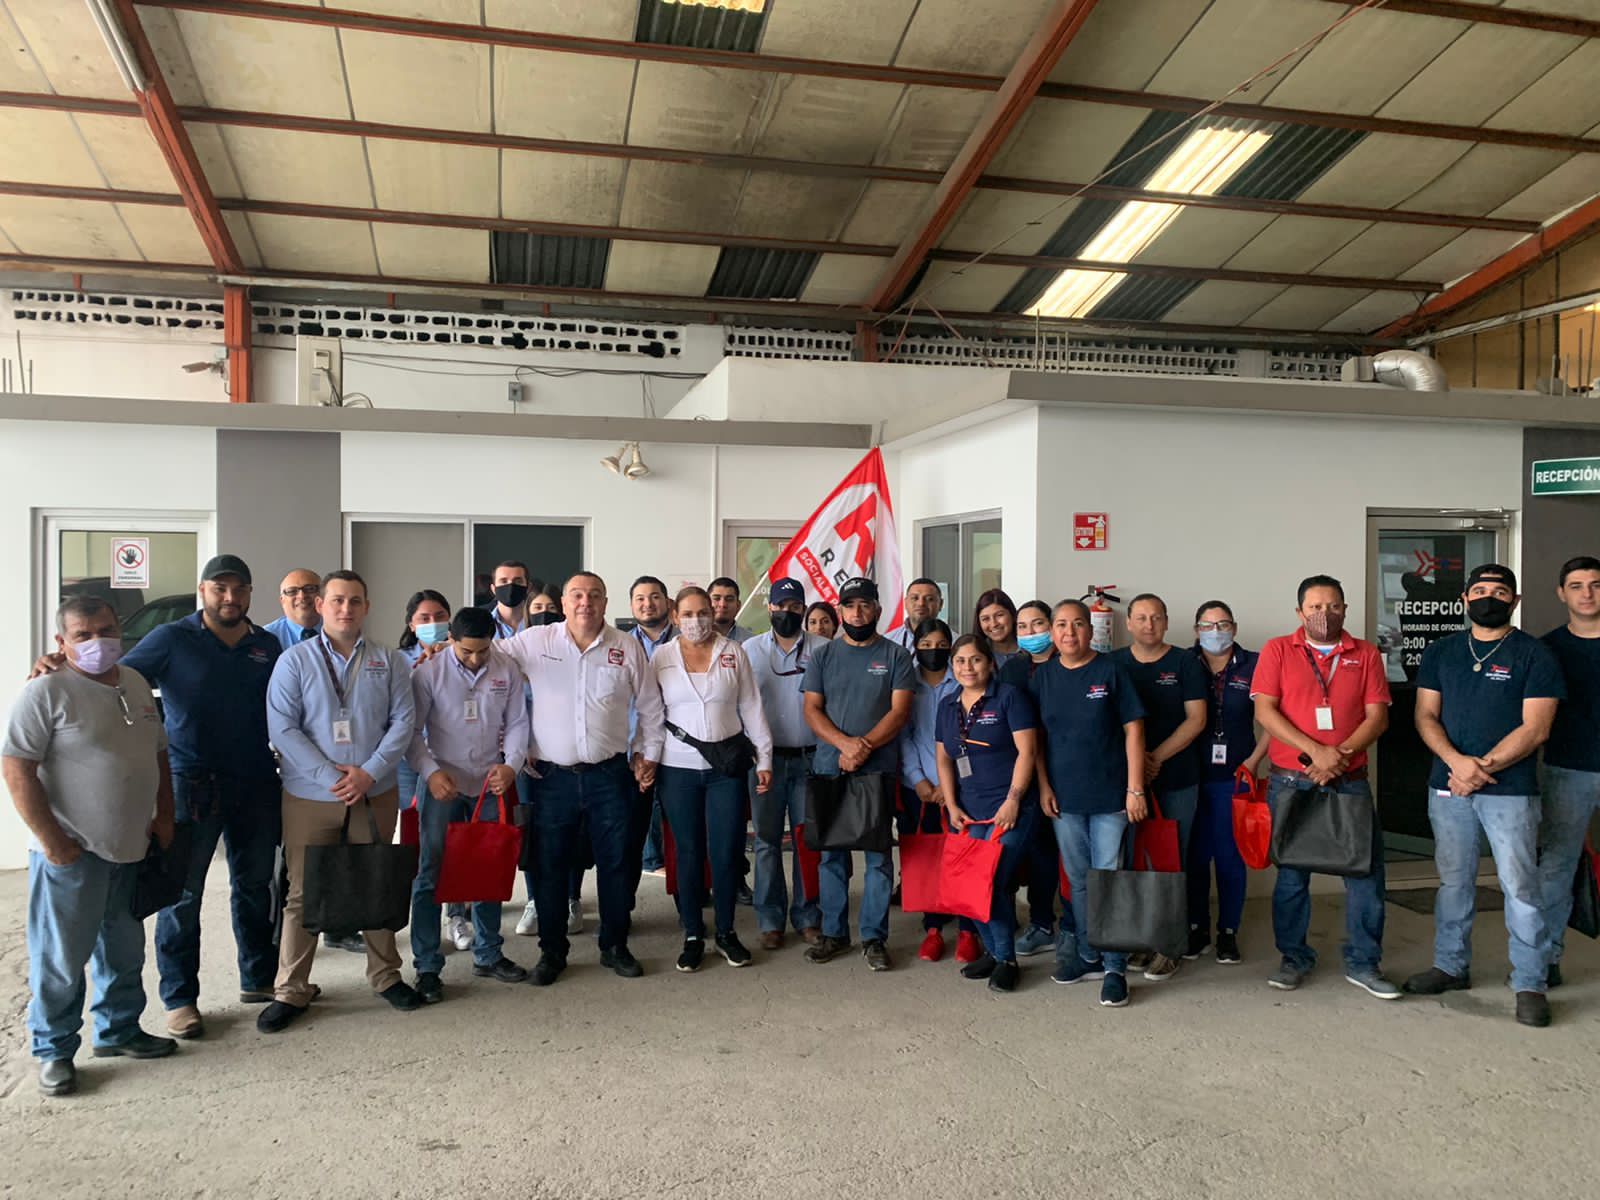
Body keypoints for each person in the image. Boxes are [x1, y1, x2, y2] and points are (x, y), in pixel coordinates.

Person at [4, 596, 177, 1096]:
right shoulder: (45, 691)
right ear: (62, 642)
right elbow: (16, 768)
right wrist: (52, 841)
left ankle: (118, 1030)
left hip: (131, 846)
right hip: (73, 852)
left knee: (123, 950)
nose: (97, 641)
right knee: (62, 959)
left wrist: (164, 815)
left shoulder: (135, 682)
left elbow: (158, 755)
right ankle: (54, 1050)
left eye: (105, 630)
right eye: (83, 635)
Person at [123, 555, 283, 1039]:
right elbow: (120, 680)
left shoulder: (266, 645)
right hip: (190, 783)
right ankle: (180, 999)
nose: (230, 598)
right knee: (182, 892)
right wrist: (60, 666)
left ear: (250, 593)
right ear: (203, 591)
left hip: (256, 781)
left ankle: (258, 978)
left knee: (255, 885)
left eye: (239, 589)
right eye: (220, 588)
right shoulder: (172, 638)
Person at [257, 570, 418, 1033]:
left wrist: (368, 773)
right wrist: (331, 777)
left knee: (376, 880)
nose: (346, 609)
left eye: (355, 601)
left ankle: (386, 977)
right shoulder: (294, 661)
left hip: (374, 792)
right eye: (337, 600)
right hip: (311, 795)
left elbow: (404, 722)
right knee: (303, 891)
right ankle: (292, 988)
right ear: (320, 606)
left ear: (367, 607)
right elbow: (282, 728)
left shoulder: (389, 661)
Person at [1404, 564, 1562, 1027]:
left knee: (1520, 887)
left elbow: (1536, 728)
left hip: (1510, 791)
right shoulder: (1442, 651)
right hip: (1447, 785)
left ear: (1514, 600)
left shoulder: (1535, 654)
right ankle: (1451, 966)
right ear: (1464, 599)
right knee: (1454, 883)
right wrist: (1457, 763)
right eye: (1479, 590)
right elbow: (1425, 715)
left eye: (1499, 591)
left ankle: (1530, 982)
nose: (1488, 597)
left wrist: (1479, 769)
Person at [497, 572, 664, 985]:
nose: (585, 602)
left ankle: (614, 945)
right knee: (551, 865)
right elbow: (486, 657)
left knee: (616, 862)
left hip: (611, 775)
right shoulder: (535, 641)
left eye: (594, 595)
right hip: (551, 779)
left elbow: (650, 707)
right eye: (576, 595)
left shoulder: (625, 647)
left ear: (605, 602)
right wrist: (441, 651)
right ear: (564, 602)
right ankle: (552, 952)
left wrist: (648, 753)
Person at [1252, 574, 1397, 1001]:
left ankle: (1365, 962)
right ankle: (1294, 957)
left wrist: (1339, 756)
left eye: (1333, 606)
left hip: (1349, 780)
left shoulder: (1366, 654)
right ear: (1300, 612)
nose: (1324, 614)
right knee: (1292, 876)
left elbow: (1378, 717)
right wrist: (1316, 752)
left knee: (1365, 874)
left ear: (1345, 610)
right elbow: (1266, 712)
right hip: (1290, 781)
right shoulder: (1279, 650)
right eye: (1315, 607)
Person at [406, 606, 531, 1001]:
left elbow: (517, 723)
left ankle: (488, 953)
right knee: (430, 871)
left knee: (488, 867)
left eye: (482, 651)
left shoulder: (506, 669)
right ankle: (427, 966)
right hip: (442, 782)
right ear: (451, 641)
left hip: (489, 783)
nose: (476, 659)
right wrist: (430, 772)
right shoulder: (429, 673)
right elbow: (412, 732)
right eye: (466, 652)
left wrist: (511, 765)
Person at [650, 587, 773, 971]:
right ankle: (692, 933)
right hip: (677, 768)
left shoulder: (734, 652)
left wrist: (764, 757)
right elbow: (651, 713)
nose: (696, 620)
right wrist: (647, 757)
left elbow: (751, 706)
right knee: (687, 852)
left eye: (702, 612)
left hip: (726, 770)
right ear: (675, 616)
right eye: (687, 614)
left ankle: (726, 932)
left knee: (726, 851)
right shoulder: (662, 656)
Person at [1033, 600, 1146, 1008]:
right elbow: (1035, 740)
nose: (1070, 632)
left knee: (1107, 878)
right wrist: (1043, 786)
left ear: (1090, 630)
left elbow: (1134, 731)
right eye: (1061, 625)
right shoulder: (1043, 677)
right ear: (1052, 632)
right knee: (1078, 880)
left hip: (1111, 797)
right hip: (1064, 799)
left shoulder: (1111, 671)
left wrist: (1135, 789)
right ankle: (1088, 954)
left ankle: (1115, 968)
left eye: (1078, 624)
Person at [801, 577, 916, 972]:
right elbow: (812, 709)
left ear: (878, 609)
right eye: (849, 605)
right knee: (831, 855)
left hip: (877, 771)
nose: (857, 613)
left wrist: (862, 747)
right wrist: (844, 746)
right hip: (829, 767)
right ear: (840, 611)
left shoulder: (896, 656)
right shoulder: (823, 656)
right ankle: (834, 933)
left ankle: (874, 937)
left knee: (878, 856)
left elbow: (899, 712)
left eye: (865, 604)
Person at [935, 634, 1040, 992]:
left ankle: (1006, 959)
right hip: (969, 811)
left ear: (990, 663)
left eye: (976, 659)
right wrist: (951, 805)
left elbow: (1027, 752)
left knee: (989, 882)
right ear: (953, 666)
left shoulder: (1010, 697)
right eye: (960, 661)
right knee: (968, 885)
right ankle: (994, 954)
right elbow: (944, 759)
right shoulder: (947, 705)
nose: (968, 667)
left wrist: (1013, 799)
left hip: (1010, 809)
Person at [1111, 593, 1207, 983]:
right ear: (1128, 623)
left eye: (1156, 618)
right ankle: (1142, 939)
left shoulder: (1185, 662)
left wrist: (1155, 758)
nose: (1148, 624)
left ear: (1166, 622)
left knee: (1170, 862)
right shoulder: (1114, 663)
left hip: (1177, 777)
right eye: (1141, 618)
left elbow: (1196, 719)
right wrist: (1137, 767)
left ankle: (1169, 946)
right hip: (1128, 783)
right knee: (1135, 861)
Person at [742, 577, 825, 948]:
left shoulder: (823, 649)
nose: (787, 612)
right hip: (766, 762)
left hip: (810, 759)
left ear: (803, 609)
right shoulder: (749, 650)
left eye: (794, 607)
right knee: (767, 840)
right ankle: (770, 919)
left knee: (808, 841)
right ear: (770, 608)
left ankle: (808, 916)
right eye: (781, 606)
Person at [1186, 601, 1268, 966]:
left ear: (1234, 627)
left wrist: (1254, 760)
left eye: (1222, 624)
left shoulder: (1255, 664)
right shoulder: (1184, 663)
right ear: (1196, 630)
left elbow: (1273, 719)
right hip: (1191, 776)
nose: (1215, 632)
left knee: (1231, 857)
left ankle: (1228, 931)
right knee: (1195, 855)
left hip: (1236, 776)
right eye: (1207, 625)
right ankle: (1197, 927)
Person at [1535, 555, 1600, 990]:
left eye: (1595, 584)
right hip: (1568, 770)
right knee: (1556, 868)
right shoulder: (1547, 650)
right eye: (1577, 586)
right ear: (1562, 593)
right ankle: (1545, 959)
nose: (1587, 594)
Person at [395, 590, 471, 954]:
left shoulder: (463, 654)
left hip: (454, 761)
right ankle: (422, 927)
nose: (433, 623)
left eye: (440, 616)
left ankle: (458, 915)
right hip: (411, 762)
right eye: (424, 618)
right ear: (411, 625)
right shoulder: (399, 660)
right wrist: (421, 669)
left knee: (457, 842)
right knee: (423, 843)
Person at [895, 617, 969, 963]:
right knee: (927, 858)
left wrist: (950, 785)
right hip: (920, 788)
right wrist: (919, 779)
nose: (933, 651)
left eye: (941, 645)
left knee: (964, 856)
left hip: (963, 786)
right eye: (925, 646)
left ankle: (968, 929)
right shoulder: (906, 683)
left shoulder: (963, 680)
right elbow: (903, 734)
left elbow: (972, 737)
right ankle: (934, 928)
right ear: (915, 648)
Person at [999, 600, 1064, 958]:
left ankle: (1078, 926)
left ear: (1052, 627)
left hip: (1070, 768)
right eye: (1022, 627)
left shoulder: (1070, 662)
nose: (1030, 632)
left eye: (1037, 624)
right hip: (1027, 770)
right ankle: (1042, 923)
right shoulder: (1013, 670)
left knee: (1074, 852)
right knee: (1040, 850)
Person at [628, 575, 677, 881]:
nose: (648, 604)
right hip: (634, 745)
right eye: (641, 598)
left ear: (667, 602)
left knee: (681, 824)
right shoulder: (620, 644)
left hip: (680, 744)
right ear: (631, 605)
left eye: (655, 597)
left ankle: (689, 891)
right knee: (633, 823)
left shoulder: (685, 641)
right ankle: (647, 862)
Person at [262, 568, 321, 651]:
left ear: (323, 594)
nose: (302, 596)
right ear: (282, 601)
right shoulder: (265, 638)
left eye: (310, 589)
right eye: (292, 591)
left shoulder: (338, 629)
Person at [892, 579, 944, 652]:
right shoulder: (889, 641)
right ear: (905, 603)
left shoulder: (955, 644)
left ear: (941, 604)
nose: (921, 603)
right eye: (915, 598)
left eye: (929, 599)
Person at [488, 560, 533, 639]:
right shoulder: (481, 624)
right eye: (503, 581)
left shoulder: (538, 622)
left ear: (528, 587)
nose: (511, 586)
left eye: (518, 581)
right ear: (493, 589)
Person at [973, 588, 1019, 661]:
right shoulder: (974, 654)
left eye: (999, 615)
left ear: (1012, 614)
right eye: (985, 619)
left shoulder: (1031, 649)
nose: (994, 624)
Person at [709, 577, 754, 643]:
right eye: (716, 598)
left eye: (729, 599)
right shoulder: (695, 640)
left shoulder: (751, 641)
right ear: (706, 603)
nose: (722, 604)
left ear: (738, 605)